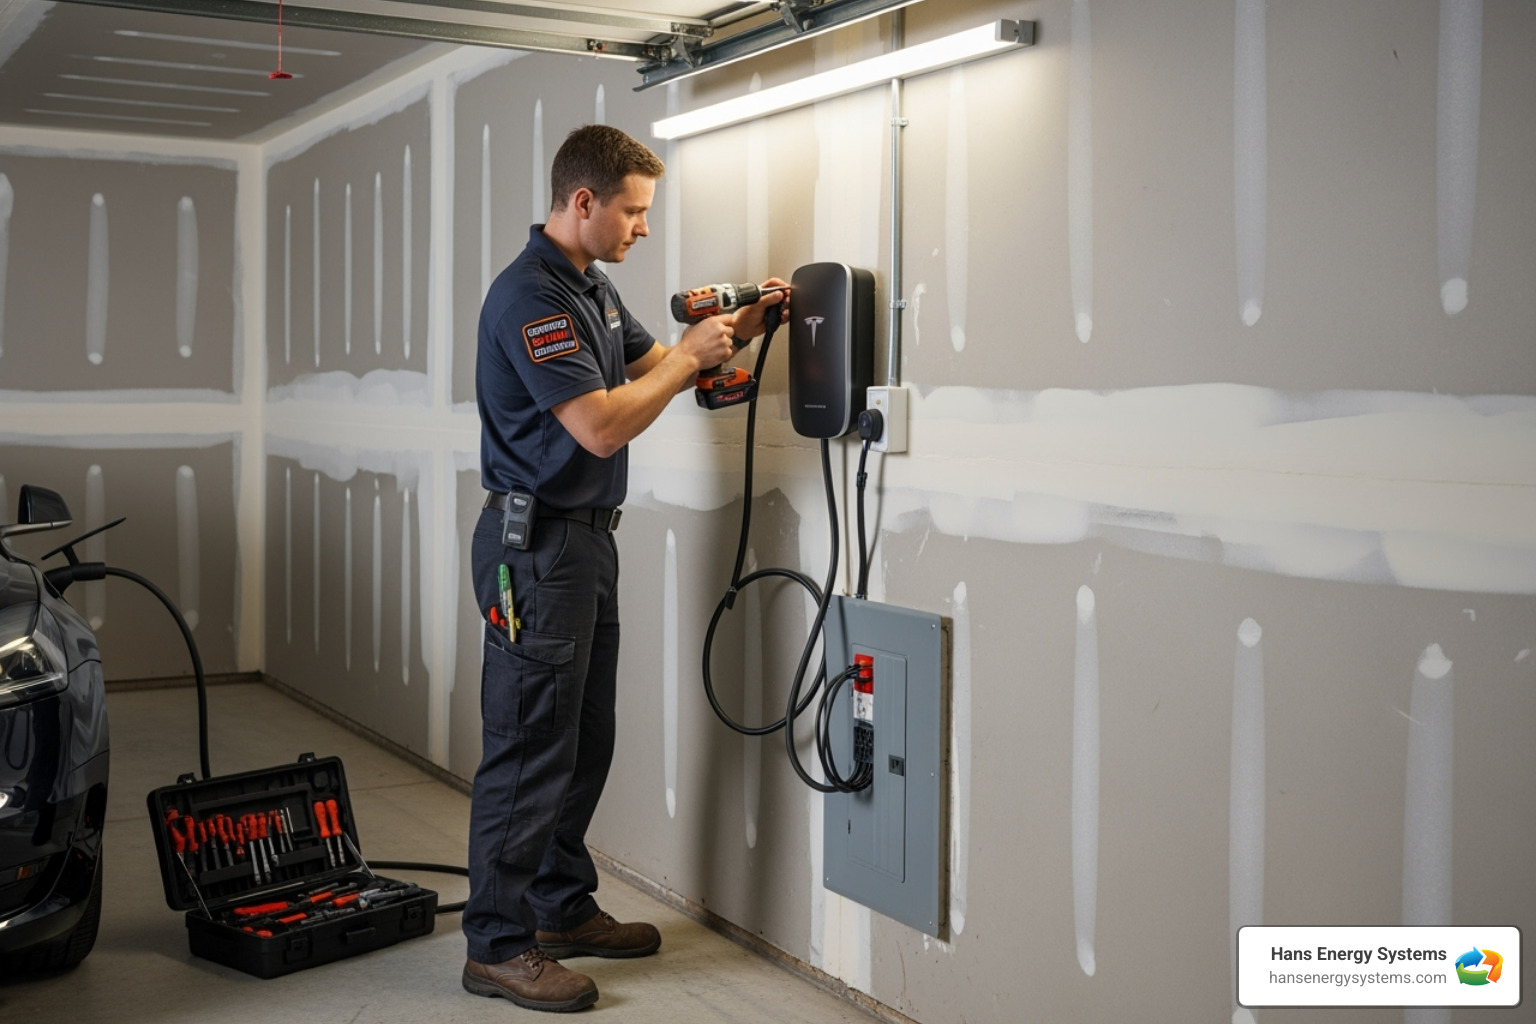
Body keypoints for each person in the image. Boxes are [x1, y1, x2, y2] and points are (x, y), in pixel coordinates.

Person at [463, 123, 786, 1013]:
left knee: (583, 739)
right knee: (528, 749)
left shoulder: (591, 290)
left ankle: (559, 908)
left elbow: (653, 368)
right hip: (536, 551)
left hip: (585, 543)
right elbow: (602, 424)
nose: (643, 228)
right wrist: (687, 359)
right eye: (634, 212)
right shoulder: (532, 297)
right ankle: (495, 945)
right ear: (583, 202)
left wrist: (741, 330)